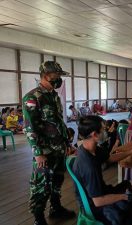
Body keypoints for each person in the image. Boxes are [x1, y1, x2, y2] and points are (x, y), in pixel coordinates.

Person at [23, 61, 75, 225]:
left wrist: (67, 143)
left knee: (57, 181)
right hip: (45, 152)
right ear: (45, 76)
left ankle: (55, 208)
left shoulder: (53, 95)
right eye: (56, 76)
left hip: (59, 148)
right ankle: (38, 219)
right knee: (41, 185)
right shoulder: (32, 98)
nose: (59, 79)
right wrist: (38, 153)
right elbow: (30, 128)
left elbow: (59, 122)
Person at [73, 115, 132, 225]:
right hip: (96, 207)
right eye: (103, 129)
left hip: (103, 192)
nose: (107, 131)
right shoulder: (88, 165)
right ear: (94, 135)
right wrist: (124, 196)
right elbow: (98, 201)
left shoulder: (90, 148)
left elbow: (109, 158)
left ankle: (131, 215)